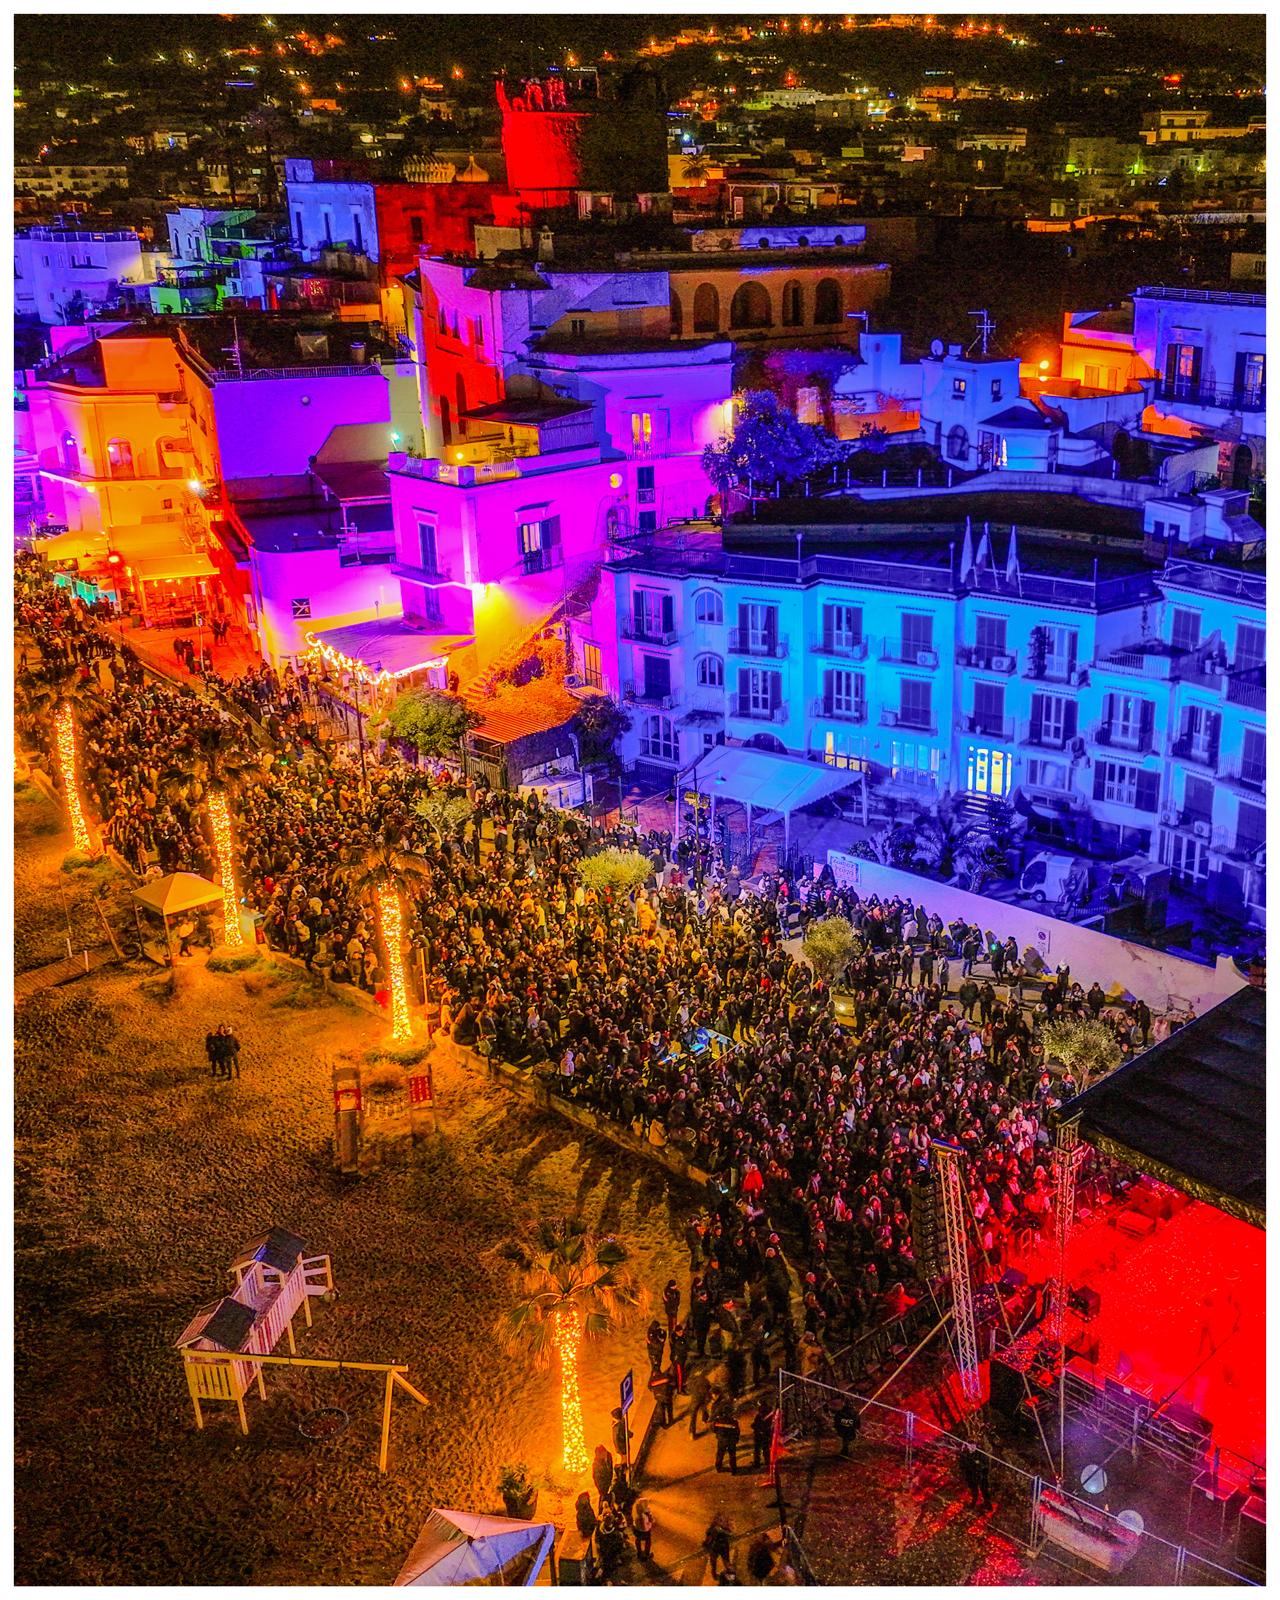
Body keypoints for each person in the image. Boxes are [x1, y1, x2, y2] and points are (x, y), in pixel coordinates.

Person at [712, 1392, 740, 1474]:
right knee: (732, 1455)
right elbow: (737, 1431)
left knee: (720, 1454)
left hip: (722, 1440)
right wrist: (736, 1439)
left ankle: (718, 1467)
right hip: (731, 1441)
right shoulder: (734, 1421)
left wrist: (718, 1435)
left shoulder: (718, 1420)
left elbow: (714, 1429)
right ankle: (733, 1470)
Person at [958, 1442, 992, 1509]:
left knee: (984, 1490)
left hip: (981, 1476)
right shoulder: (965, 1455)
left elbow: (985, 1464)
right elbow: (962, 1465)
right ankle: (973, 1502)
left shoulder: (981, 1454)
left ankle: (987, 1504)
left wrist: (979, 1466)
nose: (972, 1447)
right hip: (971, 1476)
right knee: (974, 1490)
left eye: (973, 1446)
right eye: (970, 1446)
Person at [704, 1512, 732, 1579]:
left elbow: (708, 1539)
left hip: (716, 1547)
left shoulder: (712, 1529)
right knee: (724, 1563)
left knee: (717, 1563)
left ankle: (715, 1574)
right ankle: (729, 1578)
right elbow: (730, 1534)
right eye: (720, 1520)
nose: (722, 1521)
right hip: (720, 1547)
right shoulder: (717, 1529)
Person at [752, 1401, 776, 1470]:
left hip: (759, 1435)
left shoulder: (760, 1416)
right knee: (765, 1449)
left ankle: (757, 1463)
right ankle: (767, 1462)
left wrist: (756, 1428)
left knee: (757, 1450)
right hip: (765, 1435)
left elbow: (756, 1424)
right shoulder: (770, 1415)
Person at [591, 1443, 614, 1512]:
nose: (603, 1456)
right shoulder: (597, 1465)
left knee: (609, 1498)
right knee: (604, 1499)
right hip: (603, 1485)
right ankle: (601, 1512)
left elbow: (610, 1468)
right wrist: (602, 1489)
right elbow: (597, 1478)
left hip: (608, 1481)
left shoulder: (609, 1457)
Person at [632, 1496, 654, 1561]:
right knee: (648, 1540)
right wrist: (650, 1523)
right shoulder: (644, 1515)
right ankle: (646, 1554)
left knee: (638, 1539)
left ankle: (639, 1552)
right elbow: (646, 1524)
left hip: (636, 1528)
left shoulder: (636, 1510)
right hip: (645, 1530)